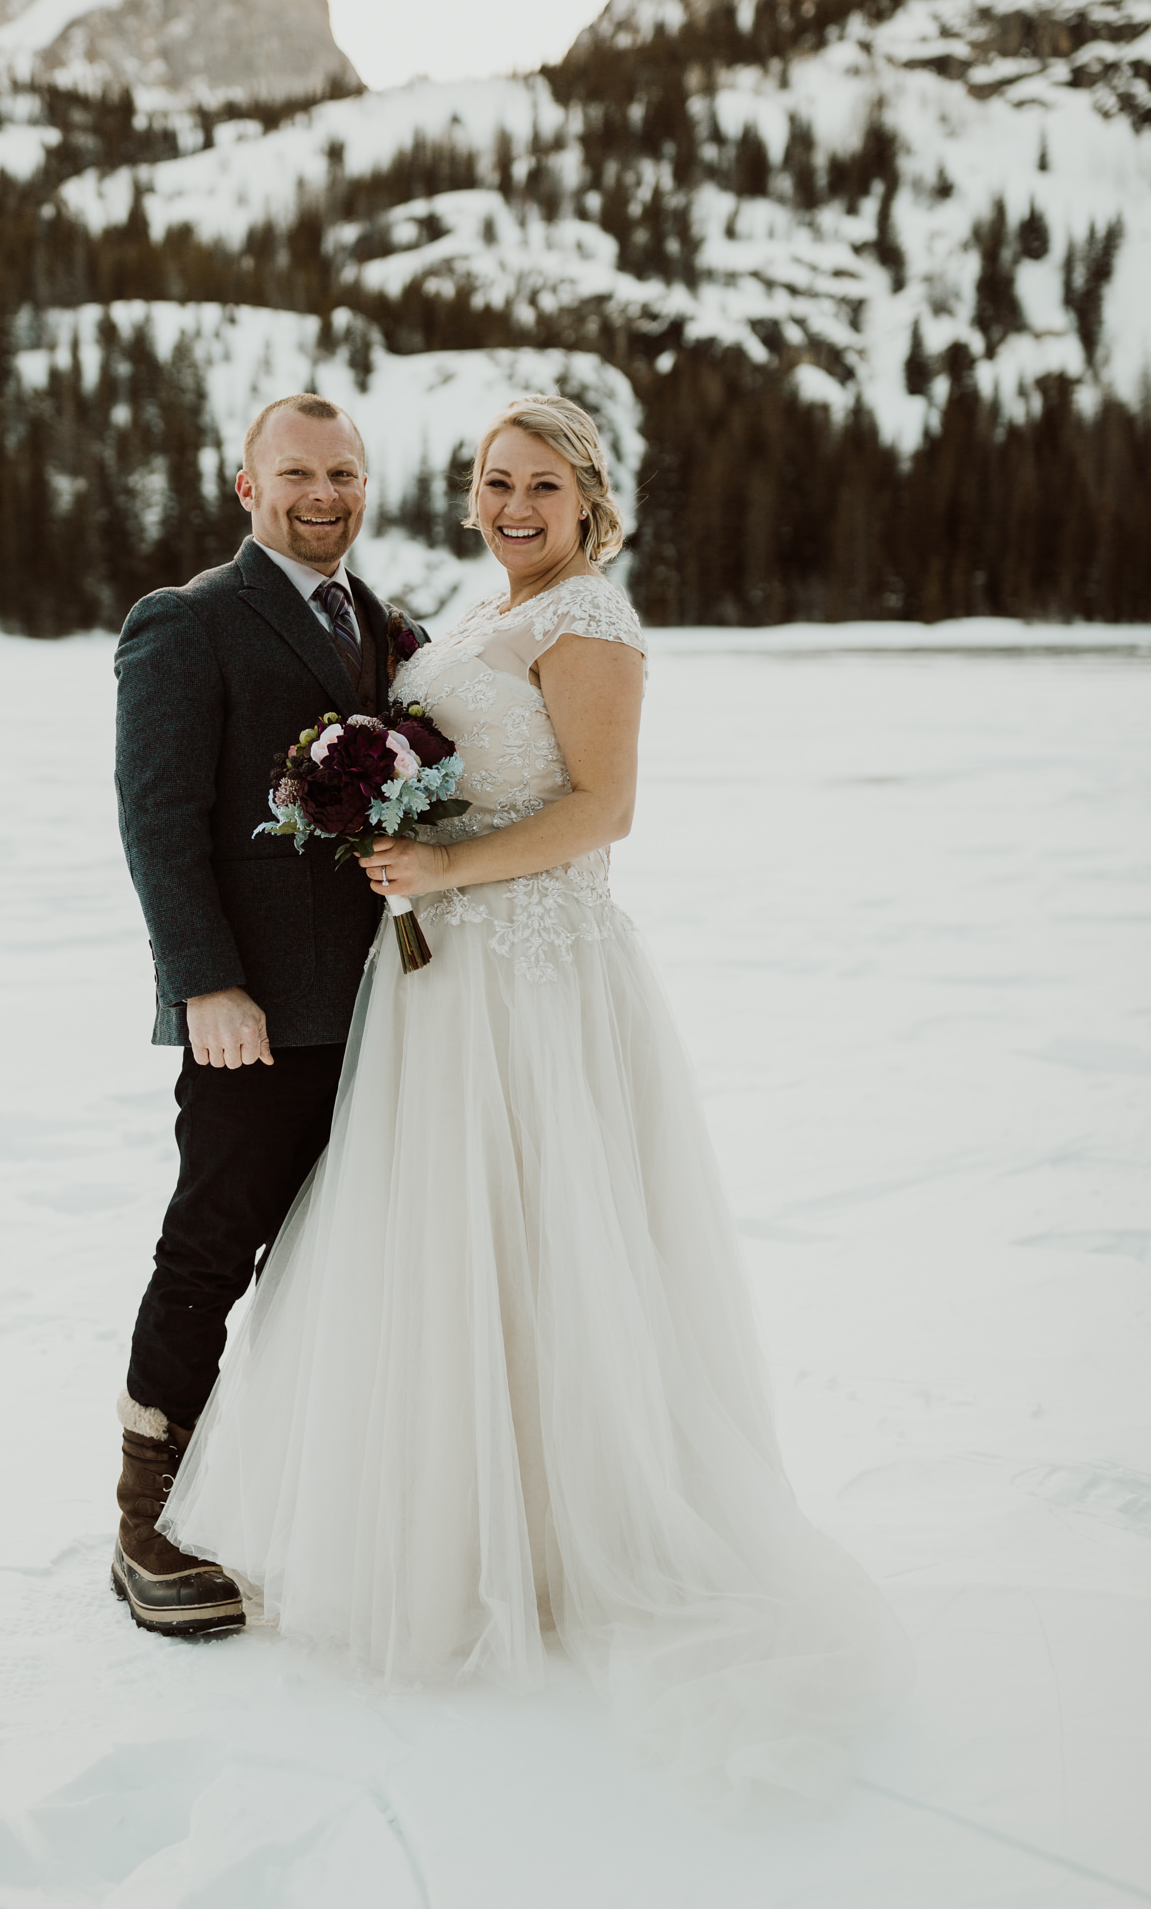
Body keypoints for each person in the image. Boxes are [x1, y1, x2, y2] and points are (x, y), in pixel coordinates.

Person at [160, 394, 910, 1820]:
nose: (514, 504)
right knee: (450, 1245)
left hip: (541, 975)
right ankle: (456, 1520)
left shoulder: (593, 622)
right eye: (495, 480)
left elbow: (603, 809)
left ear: (589, 500)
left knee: (556, 1239)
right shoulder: (469, 610)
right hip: (444, 988)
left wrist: (446, 870)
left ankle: (580, 1534)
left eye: (543, 485)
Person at [111, 391, 426, 1636]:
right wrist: (204, 982)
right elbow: (157, 817)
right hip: (256, 1014)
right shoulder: (185, 624)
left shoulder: (388, 627)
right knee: (210, 1251)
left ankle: (340, 1504)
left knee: (369, 1258)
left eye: (343, 472)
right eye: (295, 472)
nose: (323, 494)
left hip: (397, 1011)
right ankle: (151, 1524)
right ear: (247, 487)